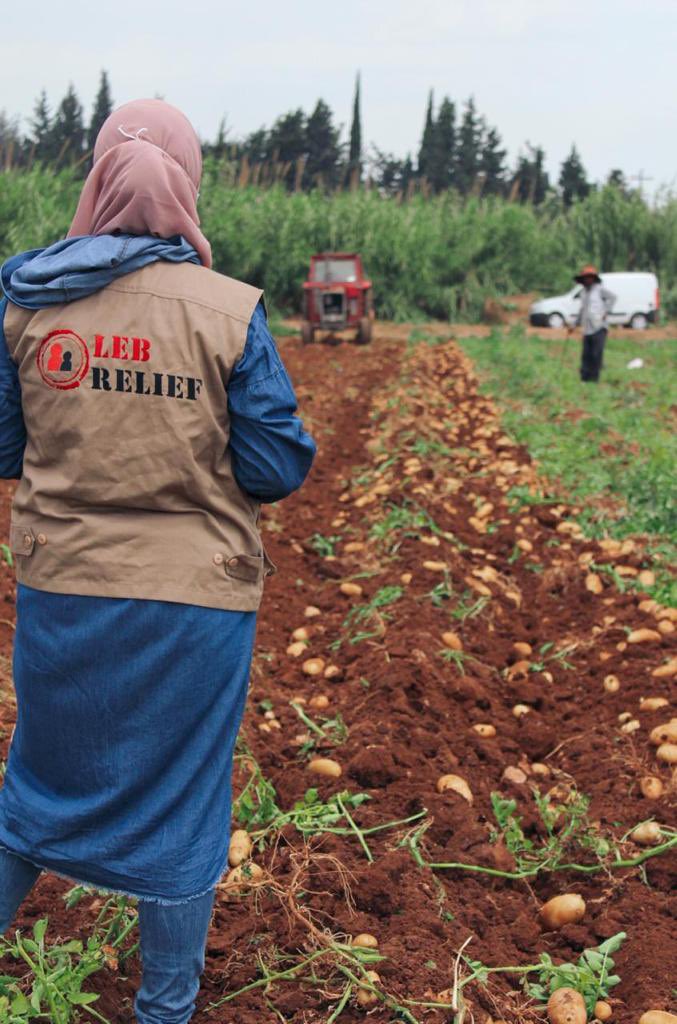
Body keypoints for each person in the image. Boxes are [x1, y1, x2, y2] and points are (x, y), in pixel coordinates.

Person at [0, 99, 316, 1023]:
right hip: (194, 602)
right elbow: (271, 464)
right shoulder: (228, 311)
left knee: (38, 780)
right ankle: (163, 1010)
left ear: (95, 177)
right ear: (190, 179)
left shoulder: (25, 299)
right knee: (183, 798)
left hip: (65, 587)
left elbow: (4, 446)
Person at [568, 264, 616, 382]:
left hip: (599, 327)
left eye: (590, 277)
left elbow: (613, 298)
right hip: (587, 328)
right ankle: (584, 378)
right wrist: (574, 324)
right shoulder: (583, 292)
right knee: (586, 355)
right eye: (585, 277)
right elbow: (582, 310)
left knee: (596, 354)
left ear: (594, 278)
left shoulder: (600, 290)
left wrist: (606, 311)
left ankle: (594, 379)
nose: (587, 279)